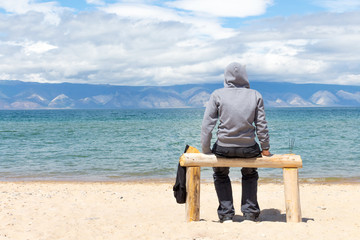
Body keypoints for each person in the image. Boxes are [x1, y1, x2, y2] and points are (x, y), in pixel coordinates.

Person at [201, 62, 270, 223]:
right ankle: (250, 214)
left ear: (226, 76)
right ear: (245, 76)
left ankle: (226, 214)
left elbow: (207, 125)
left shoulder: (217, 94)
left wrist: (206, 149)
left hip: (223, 147)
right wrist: (265, 148)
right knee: (250, 173)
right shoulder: (255, 95)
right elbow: (261, 125)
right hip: (248, 148)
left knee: (220, 174)